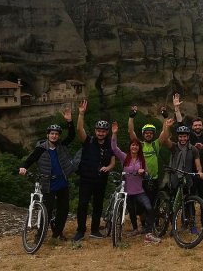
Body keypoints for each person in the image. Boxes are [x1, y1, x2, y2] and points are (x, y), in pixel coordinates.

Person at [19, 106, 76, 241]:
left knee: (63, 209)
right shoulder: (41, 149)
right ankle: (40, 235)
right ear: (47, 135)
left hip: (62, 182)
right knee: (47, 211)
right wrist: (23, 167)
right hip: (48, 184)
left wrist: (69, 121)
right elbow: (29, 160)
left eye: (56, 134)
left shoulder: (61, 145)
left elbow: (72, 136)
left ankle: (57, 233)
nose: (54, 135)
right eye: (52, 133)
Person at [72, 100, 115, 242]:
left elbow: (113, 162)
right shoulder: (89, 141)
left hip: (101, 179)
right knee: (83, 204)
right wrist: (81, 114)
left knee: (98, 205)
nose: (100, 133)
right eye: (98, 131)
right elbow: (79, 130)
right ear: (95, 131)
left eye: (103, 131)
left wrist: (107, 168)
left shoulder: (110, 145)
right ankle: (80, 231)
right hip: (86, 178)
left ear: (106, 132)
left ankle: (95, 230)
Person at [111, 121, 160, 243]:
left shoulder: (142, 160)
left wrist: (144, 172)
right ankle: (135, 229)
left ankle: (148, 232)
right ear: (130, 147)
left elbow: (147, 174)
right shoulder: (124, 157)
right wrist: (114, 134)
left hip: (139, 191)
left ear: (139, 148)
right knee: (132, 211)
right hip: (127, 191)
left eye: (137, 146)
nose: (134, 147)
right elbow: (114, 148)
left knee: (149, 208)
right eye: (132, 145)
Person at [127, 105, 170, 205]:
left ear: (153, 134)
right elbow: (131, 132)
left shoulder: (156, 144)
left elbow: (165, 133)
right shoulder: (139, 145)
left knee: (152, 205)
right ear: (143, 134)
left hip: (153, 181)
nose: (148, 134)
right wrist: (131, 117)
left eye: (151, 133)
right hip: (139, 180)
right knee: (140, 207)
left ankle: (153, 220)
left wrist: (165, 118)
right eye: (146, 133)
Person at [160, 119, 203, 191]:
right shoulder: (174, 147)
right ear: (178, 137)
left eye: (184, 136)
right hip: (174, 178)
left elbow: (198, 165)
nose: (182, 139)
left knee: (188, 199)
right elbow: (165, 139)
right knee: (173, 199)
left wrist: (200, 172)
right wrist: (167, 127)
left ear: (188, 137)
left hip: (187, 180)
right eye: (180, 136)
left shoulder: (193, 149)